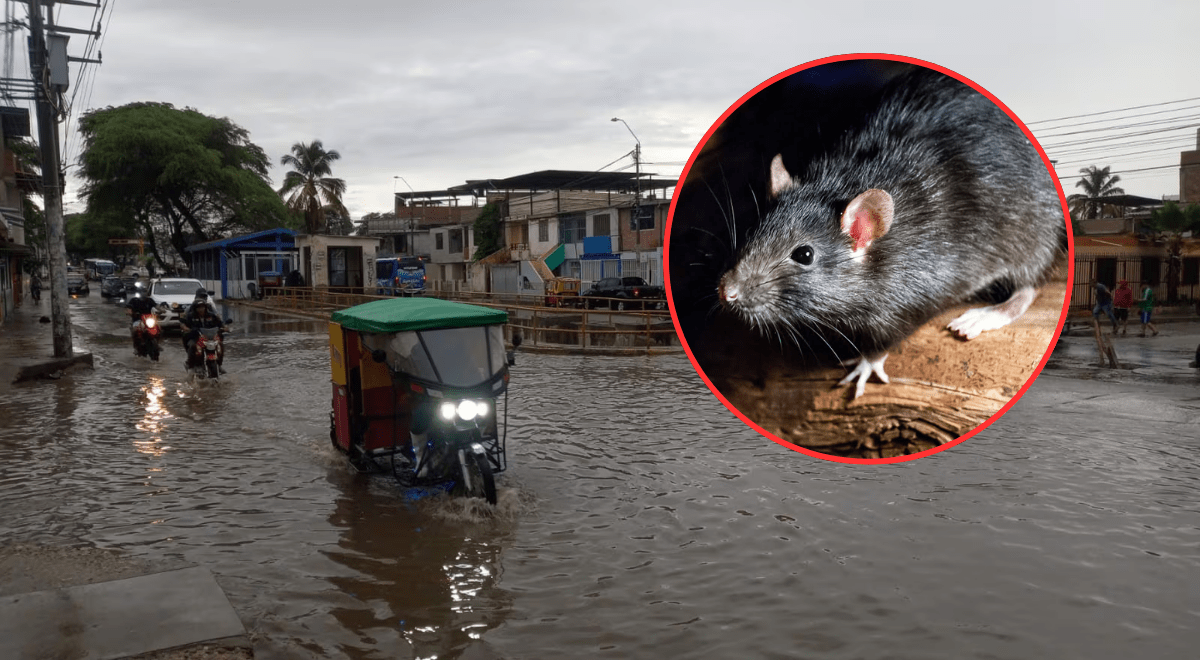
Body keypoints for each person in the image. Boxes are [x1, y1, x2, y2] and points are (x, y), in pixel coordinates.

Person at [180, 295, 228, 373]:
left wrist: (225, 327)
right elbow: (183, 324)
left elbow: (220, 323)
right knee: (192, 346)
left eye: (202, 307)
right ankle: (192, 364)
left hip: (210, 338)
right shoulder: (190, 316)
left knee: (220, 345)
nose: (201, 309)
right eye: (199, 307)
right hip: (196, 338)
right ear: (195, 308)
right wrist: (186, 328)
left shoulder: (212, 316)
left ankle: (219, 365)